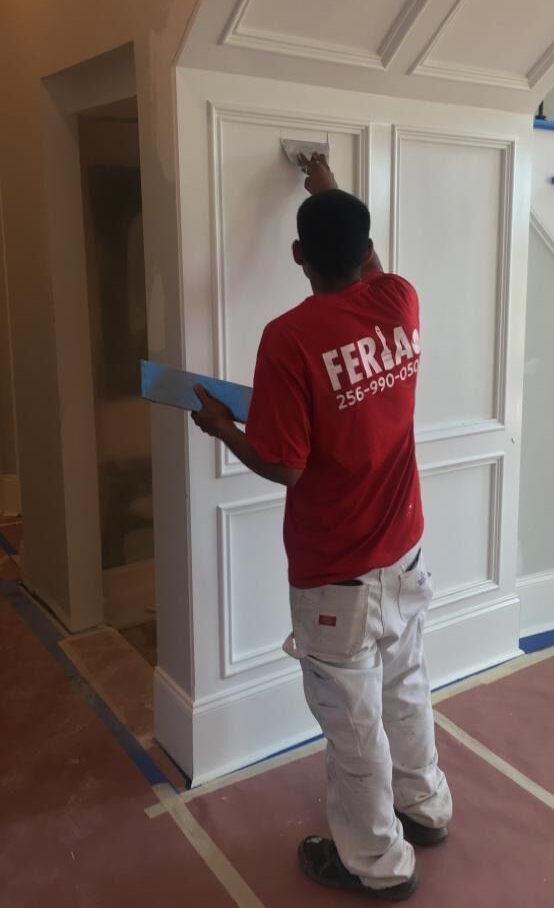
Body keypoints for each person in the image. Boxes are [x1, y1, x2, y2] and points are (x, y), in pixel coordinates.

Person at [191, 154, 452, 901]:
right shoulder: (398, 301)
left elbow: (286, 467)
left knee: (352, 724)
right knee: (405, 688)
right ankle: (425, 808)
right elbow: (360, 251)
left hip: (337, 571)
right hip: (404, 550)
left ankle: (376, 862)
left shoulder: (290, 338)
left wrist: (220, 427)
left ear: (299, 256)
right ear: (366, 247)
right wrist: (328, 187)